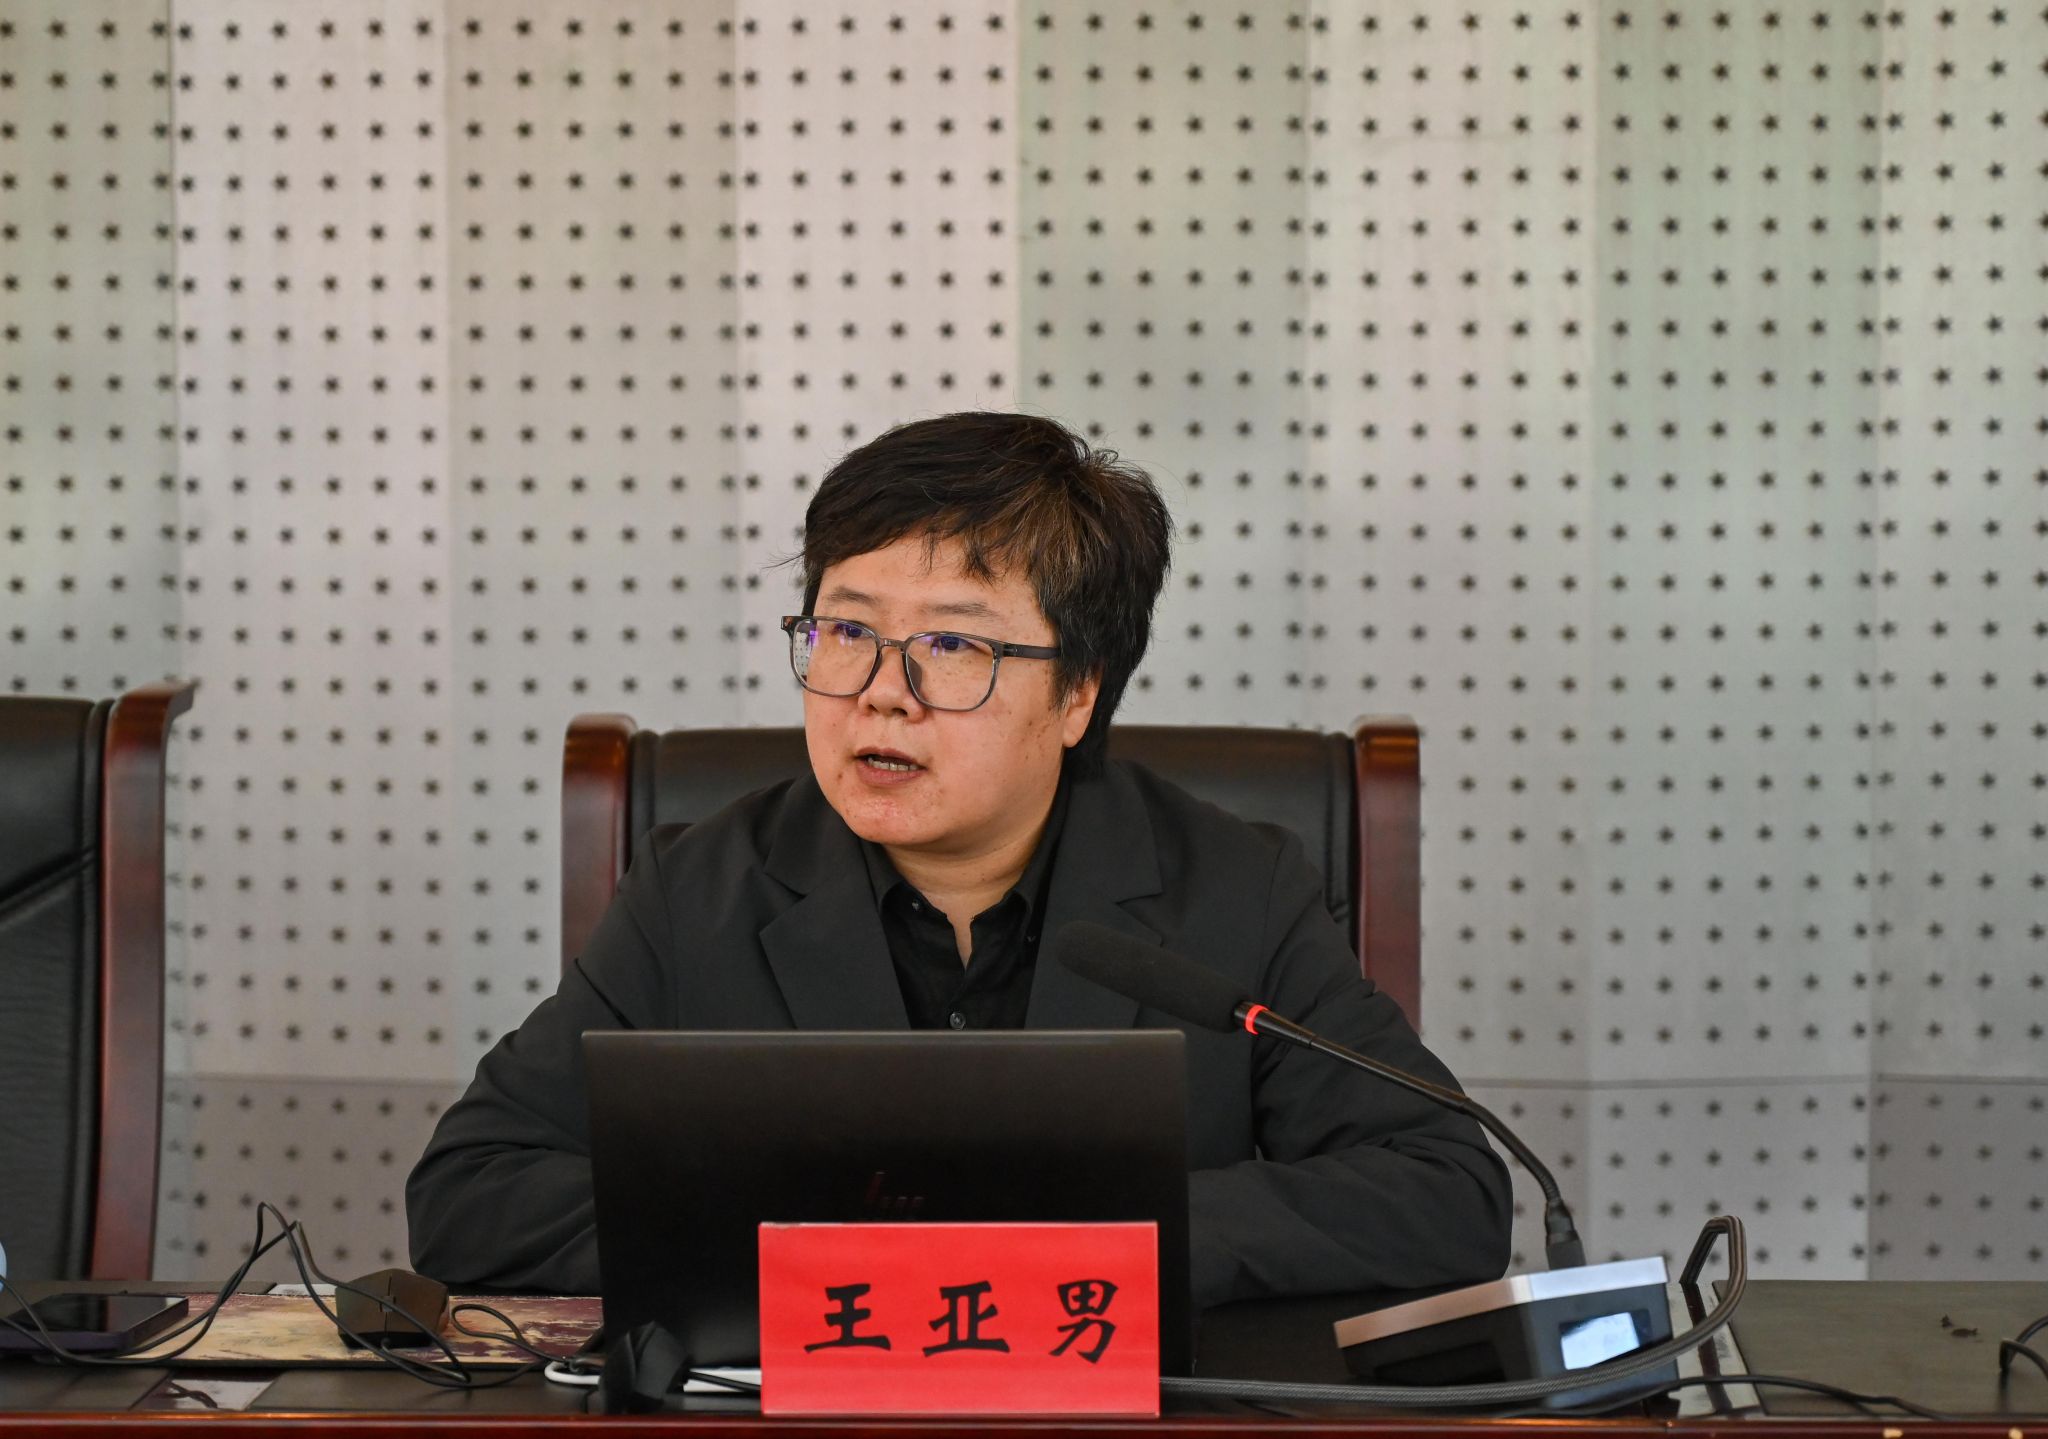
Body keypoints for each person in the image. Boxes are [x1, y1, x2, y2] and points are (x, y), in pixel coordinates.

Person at [406, 410, 1511, 1308]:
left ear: (1077, 693)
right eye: (846, 631)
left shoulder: (1233, 890)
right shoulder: (698, 890)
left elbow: (1442, 1191)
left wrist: (1086, 1240)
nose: (881, 692)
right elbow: (471, 1191)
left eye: (951, 643)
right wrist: (838, 1247)